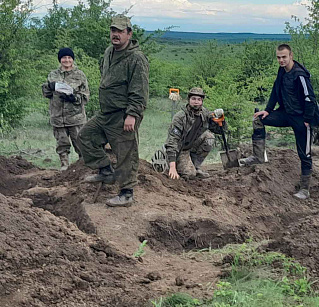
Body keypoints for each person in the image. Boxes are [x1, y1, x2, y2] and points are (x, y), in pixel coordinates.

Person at [78, 15, 149, 207]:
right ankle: (105, 170)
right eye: (113, 31)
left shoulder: (136, 58)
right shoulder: (109, 51)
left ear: (129, 33)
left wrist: (132, 114)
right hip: (106, 112)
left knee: (126, 153)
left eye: (120, 31)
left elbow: (139, 90)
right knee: (85, 136)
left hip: (123, 114)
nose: (115, 35)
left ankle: (126, 193)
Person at [240, 44, 319, 200]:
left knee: (304, 153)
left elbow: (310, 99)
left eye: (284, 57)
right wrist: (268, 110)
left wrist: (307, 120)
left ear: (291, 55)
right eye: (278, 57)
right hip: (286, 113)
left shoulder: (300, 75)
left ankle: (304, 189)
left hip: (302, 118)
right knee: (258, 119)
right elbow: (275, 91)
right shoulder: (282, 72)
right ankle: (258, 157)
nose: (281, 60)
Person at [42, 48, 89, 171]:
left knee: (80, 143)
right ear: (60, 60)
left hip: (76, 117)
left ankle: (83, 166)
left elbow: (85, 97)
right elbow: (46, 93)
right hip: (58, 116)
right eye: (64, 58)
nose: (66, 60)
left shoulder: (80, 75)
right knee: (62, 144)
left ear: (72, 59)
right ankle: (64, 165)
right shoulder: (53, 75)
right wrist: (49, 87)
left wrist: (74, 98)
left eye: (69, 58)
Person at [164, 87, 224, 179]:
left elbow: (218, 130)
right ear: (189, 100)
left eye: (199, 99)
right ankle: (176, 165)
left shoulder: (204, 113)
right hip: (181, 149)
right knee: (190, 174)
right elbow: (172, 141)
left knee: (209, 137)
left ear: (202, 101)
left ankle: (196, 166)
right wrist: (172, 167)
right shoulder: (180, 117)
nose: (196, 102)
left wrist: (220, 119)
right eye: (193, 99)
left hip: (192, 146)